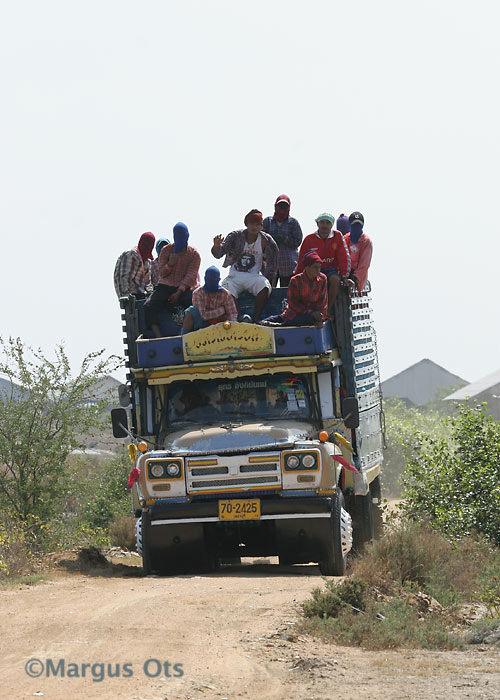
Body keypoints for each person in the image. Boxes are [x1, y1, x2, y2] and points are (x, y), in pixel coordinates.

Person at [211, 209, 278, 322]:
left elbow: (274, 260)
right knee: (225, 290)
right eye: (252, 224)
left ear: (261, 226)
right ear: (246, 224)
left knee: (265, 286)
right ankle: (240, 317)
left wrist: (269, 276)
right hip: (235, 275)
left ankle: (256, 317)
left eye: (257, 224)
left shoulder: (266, 240)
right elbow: (219, 254)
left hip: (254, 276)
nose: (254, 227)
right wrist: (216, 246)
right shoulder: (235, 236)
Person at [144, 222, 201, 337]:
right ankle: (158, 336)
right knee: (148, 306)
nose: (180, 238)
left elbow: (191, 275)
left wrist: (179, 292)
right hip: (165, 285)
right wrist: (170, 264)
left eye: (182, 235)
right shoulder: (166, 251)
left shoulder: (194, 255)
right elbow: (162, 274)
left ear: (187, 236)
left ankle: (190, 333)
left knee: (195, 304)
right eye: (177, 236)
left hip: (185, 287)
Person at [295, 213, 350, 317]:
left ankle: (327, 311)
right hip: (314, 270)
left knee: (334, 280)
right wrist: (297, 276)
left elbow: (343, 256)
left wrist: (344, 276)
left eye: (328, 223)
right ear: (317, 224)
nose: (325, 225)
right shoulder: (309, 239)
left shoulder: (337, 236)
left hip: (331, 270)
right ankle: (309, 312)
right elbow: (301, 260)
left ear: (332, 225)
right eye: (322, 222)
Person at [261, 251, 327, 328]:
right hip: (293, 315)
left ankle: (281, 326)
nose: (318, 270)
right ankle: (280, 325)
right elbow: (293, 304)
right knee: (263, 323)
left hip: (312, 317)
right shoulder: (295, 280)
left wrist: (319, 317)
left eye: (319, 267)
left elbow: (322, 302)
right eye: (315, 267)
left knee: (310, 319)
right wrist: (310, 313)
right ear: (307, 267)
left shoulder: (322, 279)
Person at [262, 194, 302, 287]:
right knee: (269, 292)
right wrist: (272, 239)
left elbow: (298, 241)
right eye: (280, 206)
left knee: (286, 294)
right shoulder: (267, 221)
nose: (282, 208)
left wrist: (285, 239)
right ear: (275, 206)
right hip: (270, 264)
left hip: (289, 265)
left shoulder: (293, 223)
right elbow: (261, 239)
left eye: (285, 206)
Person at [182, 266, 238, 333]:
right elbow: (203, 316)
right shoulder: (198, 293)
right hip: (202, 326)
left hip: (221, 326)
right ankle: (184, 337)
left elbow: (232, 313)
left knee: (246, 318)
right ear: (205, 278)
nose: (211, 280)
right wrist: (221, 310)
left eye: (214, 278)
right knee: (191, 310)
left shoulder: (225, 294)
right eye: (209, 278)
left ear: (219, 279)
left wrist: (231, 326)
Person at [113, 232, 155, 299]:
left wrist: (150, 293)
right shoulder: (131, 255)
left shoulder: (147, 260)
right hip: (132, 296)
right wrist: (126, 297)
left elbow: (148, 282)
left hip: (142, 295)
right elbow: (124, 278)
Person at [345, 211, 373, 292]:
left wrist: (355, 278)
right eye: (354, 225)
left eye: (358, 225)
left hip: (358, 276)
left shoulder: (366, 241)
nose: (356, 227)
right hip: (345, 272)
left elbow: (364, 265)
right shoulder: (345, 238)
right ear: (349, 225)